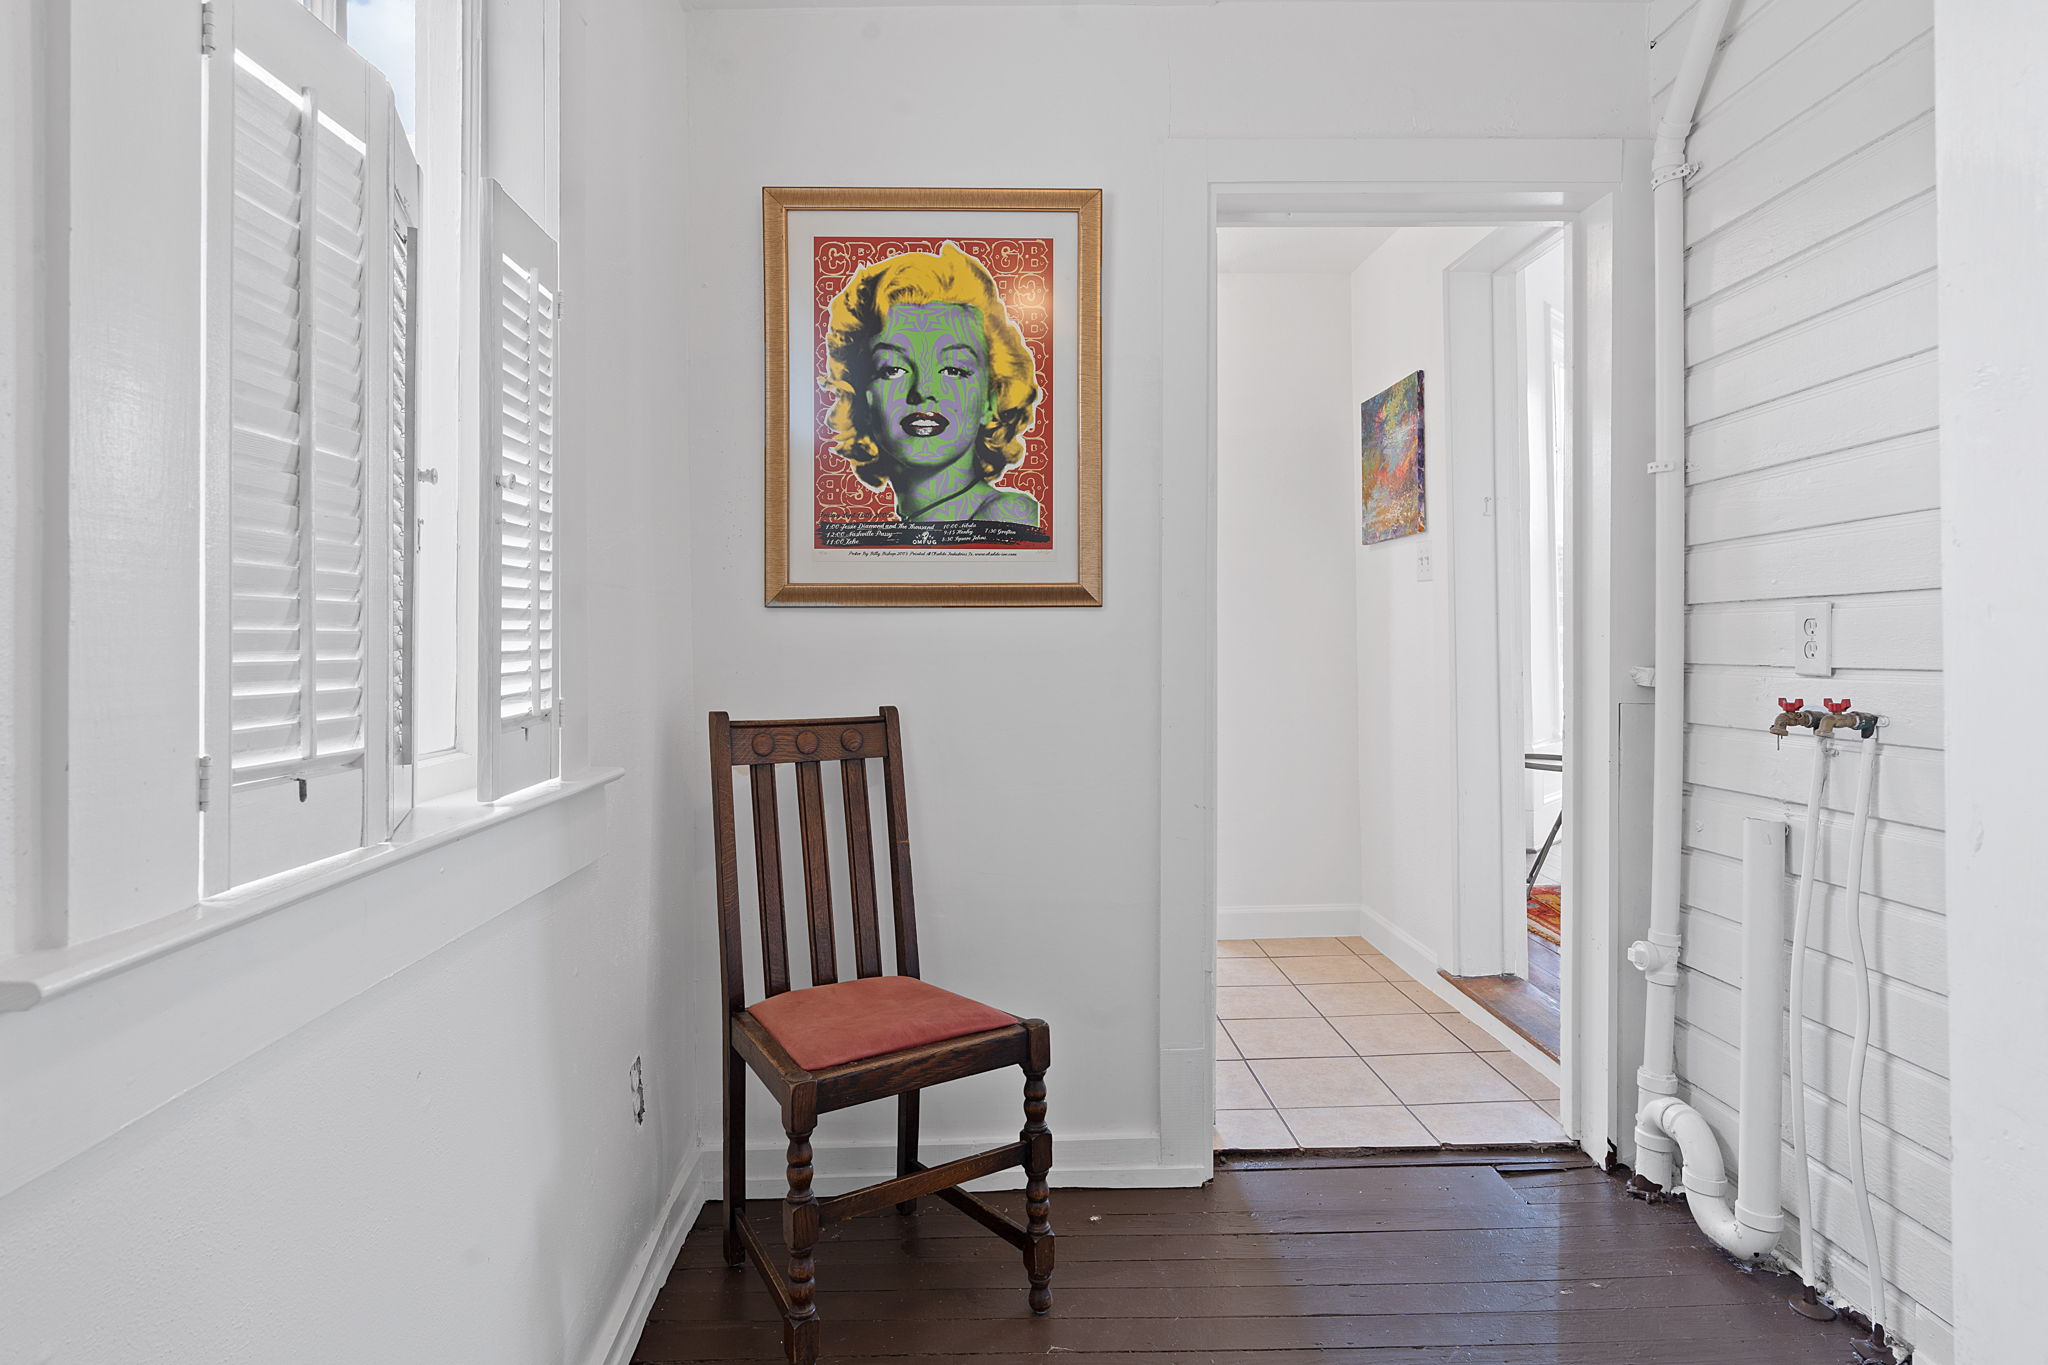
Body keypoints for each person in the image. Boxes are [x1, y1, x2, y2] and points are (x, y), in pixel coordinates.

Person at [822, 242, 1042, 529]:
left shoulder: (1007, 515)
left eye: (953, 369)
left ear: (991, 402)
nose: (923, 390)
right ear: (862, 402)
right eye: (893, 369)